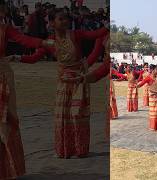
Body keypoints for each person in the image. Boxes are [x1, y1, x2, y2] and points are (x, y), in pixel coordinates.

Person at [19, 8, 108, 159]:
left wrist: (108, 25)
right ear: (52, 22)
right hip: (64, 83)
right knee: (63, 116)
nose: (65, 21)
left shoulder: (75, 35)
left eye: (66, 18)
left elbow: (95, 35)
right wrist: (17, 57)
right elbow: (34, 57)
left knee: (77, 115)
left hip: (79, 81)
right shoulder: (49, 42)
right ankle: (65, 150)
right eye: (61, 19)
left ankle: (80, 150)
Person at [0, 1, 53, 179]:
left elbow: (24, 40)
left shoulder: (5, 28)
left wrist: (44, 42)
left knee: (5, 120)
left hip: (2, 77)